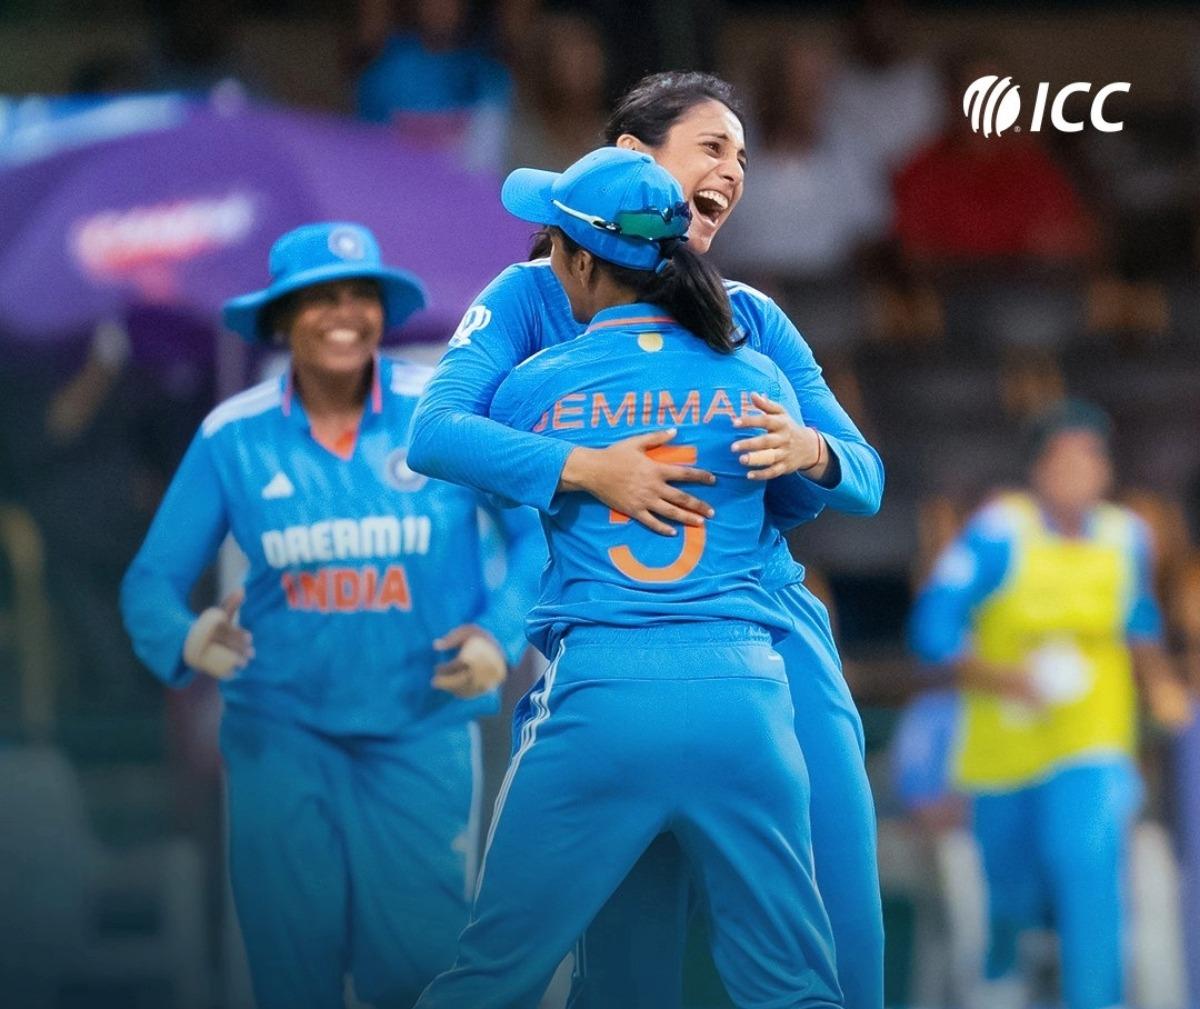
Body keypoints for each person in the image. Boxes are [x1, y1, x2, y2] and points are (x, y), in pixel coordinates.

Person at [407, 72, 885, 1009]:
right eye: (715, 146)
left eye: (745, 156)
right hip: (638, 633)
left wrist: (813, 447)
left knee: (844, 921)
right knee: (638, 954)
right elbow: (434, 430)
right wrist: (593, 467)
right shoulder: (529, 294)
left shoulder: (747, 312)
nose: (734, 171)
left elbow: (861, 475)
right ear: (631, 157)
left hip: (754, 626)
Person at [120, 221, 543, 1009]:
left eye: (361, 296)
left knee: (418, 977)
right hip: (280, 736)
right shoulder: (232, 436)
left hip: (422, 732)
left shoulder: (441, 415)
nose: (345, 313)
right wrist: (187, 637)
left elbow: (533, 537)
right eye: (320, 298)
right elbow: (149, 582)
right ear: (281, 318)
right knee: (292, 977)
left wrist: (499, 631)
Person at [910, 399, 1193, 1009]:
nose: (1079, 472)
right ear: (1037, 469)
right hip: (1002, 753)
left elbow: (1139, 620)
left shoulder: (1127, 537)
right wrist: (997, 676)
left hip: (1091, 743)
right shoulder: (997, 532)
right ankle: (1002, 982)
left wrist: (1162, 684)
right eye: (1064, 459)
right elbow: (932, 628)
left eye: (1091, 458)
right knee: (1007, 901)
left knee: (1090, 871)